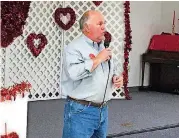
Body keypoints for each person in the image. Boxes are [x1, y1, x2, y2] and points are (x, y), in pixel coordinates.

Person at [61, 10, 123, 138]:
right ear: (87, 27)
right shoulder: (74, 48)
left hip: (102, 110)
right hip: (81, 110)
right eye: (99, 23)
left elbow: (113, 68)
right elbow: (74, 73)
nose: (104, 27)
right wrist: (98, 59)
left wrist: (117, 78)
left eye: (104, 23)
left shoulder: (102, 47)